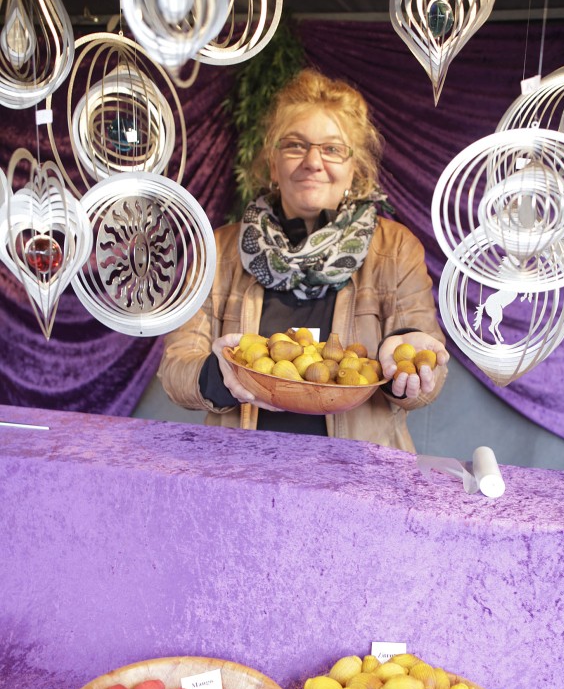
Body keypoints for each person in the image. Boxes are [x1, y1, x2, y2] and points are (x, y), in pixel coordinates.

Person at [158, 68, 448, 452]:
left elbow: (427, 381)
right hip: (243, 468)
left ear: (355, 170)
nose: (313, 161)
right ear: (273, 163)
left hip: (358, 474)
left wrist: (406, 366)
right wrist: (220, 375)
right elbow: (175, 367)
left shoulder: (394, 249)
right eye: (295, 145)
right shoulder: (220, 249)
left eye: (332, 149)